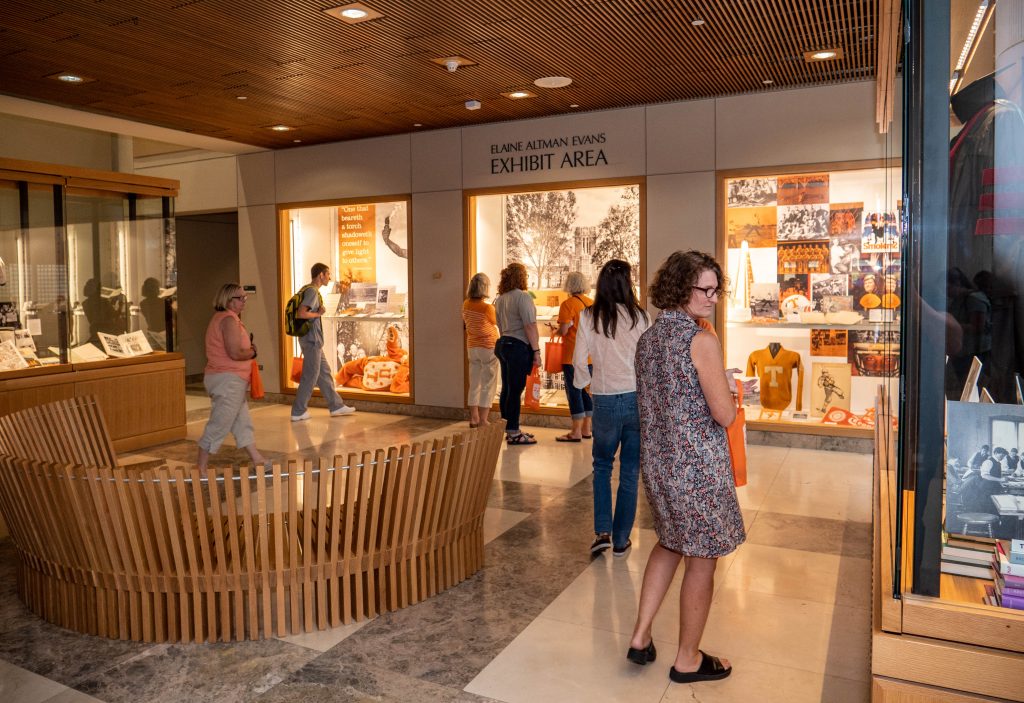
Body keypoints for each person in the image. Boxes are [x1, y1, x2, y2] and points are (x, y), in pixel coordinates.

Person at [628, 250, 744, 684]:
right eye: (705, 290)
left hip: (659, 463)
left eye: (717, 289)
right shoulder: (701, 340)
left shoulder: (650, 339)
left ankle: (641, 636)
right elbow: (724, 415)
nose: (713, 298)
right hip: (696, 468)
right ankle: (688, 659)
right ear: (681, 288)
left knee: (669, 543)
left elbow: (671, 397)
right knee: (703, 557)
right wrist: (732, 391)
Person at [573, 260, 649, 555]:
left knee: (602, 466)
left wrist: (585, 384)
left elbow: (580, 360)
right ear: (627, 283)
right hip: (636, 399)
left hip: (604, 399)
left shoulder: (589, 316)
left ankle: (602, 531)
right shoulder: (640, 317)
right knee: (630, 471)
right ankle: (621, 540)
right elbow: (649, 360)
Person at [196, 283, 266, 471]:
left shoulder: (227, 318)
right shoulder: (228, 320)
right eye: (240, 298)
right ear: (228, 300)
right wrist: (252, 352)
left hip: (230, 379)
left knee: (242, 421)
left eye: (245, 297)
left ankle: (257, 459)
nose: (244, 301)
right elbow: (235, 353)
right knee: (220, 423)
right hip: (228, 380)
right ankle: (200, 468)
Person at [291, 263, 355, 421]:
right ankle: (298, 411)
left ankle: (336, 406)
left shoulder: (307, 289)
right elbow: (301, 314)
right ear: (321, 275)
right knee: (310, 375)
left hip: (313, 340)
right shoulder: (312, 292)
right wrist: (318, 313)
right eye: (328, 274)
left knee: (324, 373)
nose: (330, 277)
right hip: (312, 340)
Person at [494, 262, 540, 445]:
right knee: (515, 390)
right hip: (518, 346)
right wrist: (536, 351)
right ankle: (513, 432)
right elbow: (530, 325)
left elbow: (498, 324)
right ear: (521, 277)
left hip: (503, 343)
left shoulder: (501, 299)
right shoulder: (523, 297)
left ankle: (509, 427)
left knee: (507, 389)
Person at [553, 271, 593, 442]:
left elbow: (564, 330)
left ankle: (575, 431)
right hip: (590, 356)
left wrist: (555, 331)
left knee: (574, 392)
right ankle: (587, 429)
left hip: (572, 356)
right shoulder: (592, 303)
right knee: (587, 392)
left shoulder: (568, 304)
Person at [462, 272, 499, 428]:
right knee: (488, 384)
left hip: (472, 346)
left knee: (474, 383)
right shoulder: (487, 307)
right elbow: (496, 321)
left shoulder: (466, 304)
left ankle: (474, 418)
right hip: (489, 347)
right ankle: (483, 420)